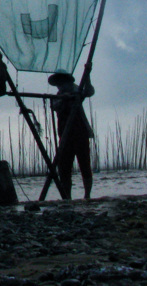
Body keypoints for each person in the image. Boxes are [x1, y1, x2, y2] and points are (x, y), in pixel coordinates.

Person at [48, 70, 95, 200]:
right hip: (65, 135)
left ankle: (87, 195)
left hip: (80, 133)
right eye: (58, 83)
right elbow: (55, 106)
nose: (60, 85)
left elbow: (89, 91)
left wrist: (87, 77)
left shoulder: (77, 92)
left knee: (84, 164)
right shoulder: (58, 97)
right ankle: (67, 196)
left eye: (62, 82)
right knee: (64, 167)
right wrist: (66, 97)